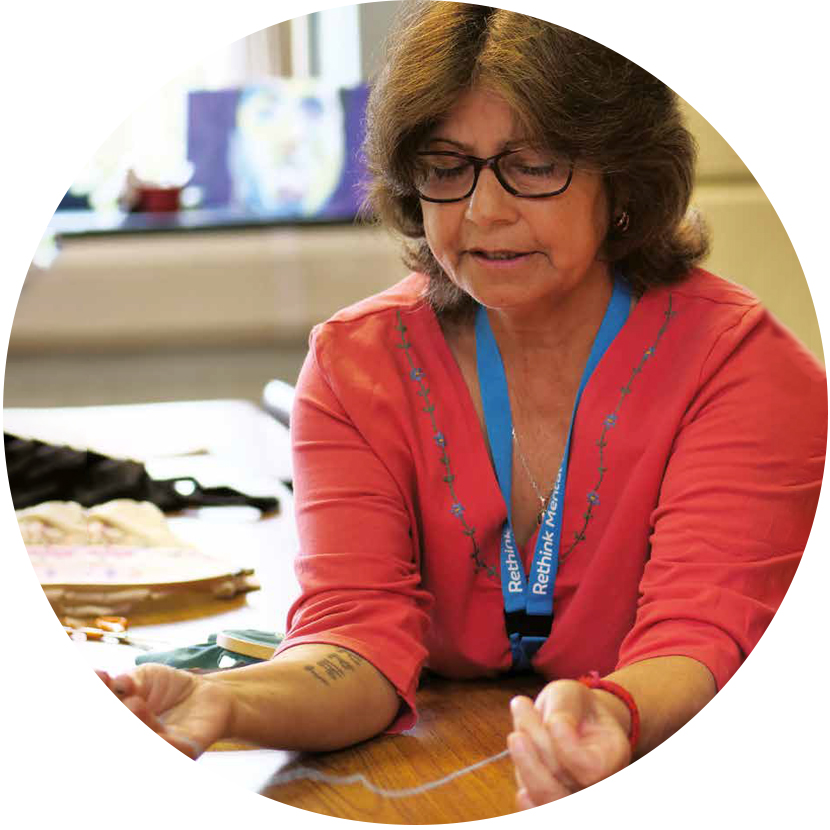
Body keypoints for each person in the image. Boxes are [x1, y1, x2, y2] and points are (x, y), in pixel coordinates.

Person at [97, 1, 826, 808]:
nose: (483, 211)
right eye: (446, 167)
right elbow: (353, 640)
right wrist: (227, 700)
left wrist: (617, 713)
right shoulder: (356, 366)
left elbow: (706, 639)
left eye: (534, 165)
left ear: (622, 176)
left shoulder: (740, 366)